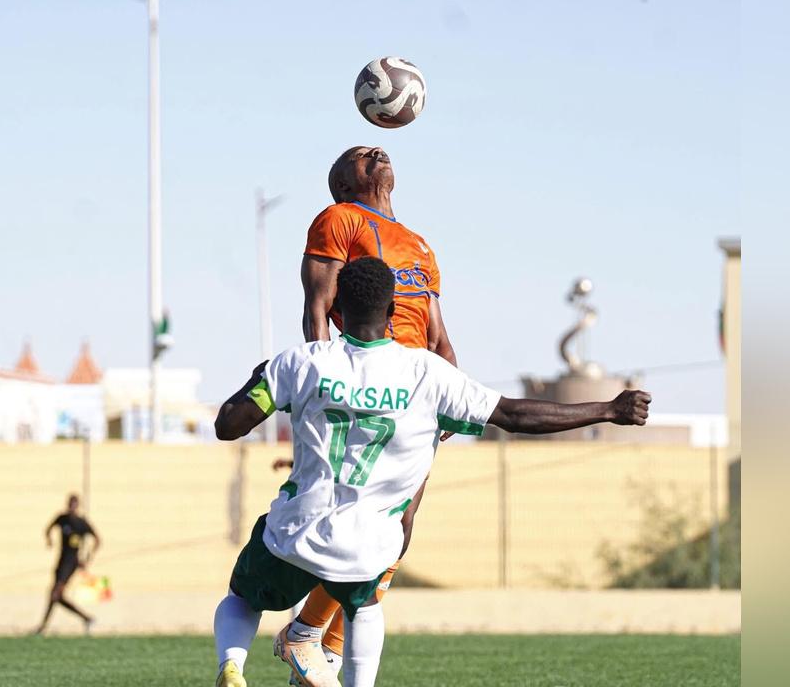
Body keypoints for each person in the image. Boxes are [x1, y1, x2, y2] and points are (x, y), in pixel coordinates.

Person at [211, 257, 651, 687]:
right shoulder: (426, 373)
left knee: (242, 599)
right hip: (368, 545)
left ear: (337, 309)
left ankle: (233, 667)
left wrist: (258, 380)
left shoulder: (302, 362)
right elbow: (516, 416)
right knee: (363, 611)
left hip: (295, 532)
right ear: (392, 311)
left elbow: (228, 426)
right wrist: (608, 409)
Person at [275, 145, 456, 681]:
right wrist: (326, 382)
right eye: (359, 155)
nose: (376, 151)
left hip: (418, 391)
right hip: (369, 388)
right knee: (361, 523)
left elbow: (437, 331)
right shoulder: (339, 218)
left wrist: (449, 384)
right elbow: (316, 307)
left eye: (376, 150)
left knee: (399, 527)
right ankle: (307, 632)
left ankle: (325, 646)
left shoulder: (420, 244)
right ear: (343, 183)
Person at [34, 493, 101, 635]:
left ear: (77, 506)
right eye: (70, 504)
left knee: (55, 594)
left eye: (74, 505)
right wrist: (49, 541)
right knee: (56, 596)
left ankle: (43, 627)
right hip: (61, 561)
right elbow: (48, 529)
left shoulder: (81, 523)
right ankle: (87, 618)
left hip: (71, 563)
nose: (71, 508)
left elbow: (97, 540)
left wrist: (88, 559)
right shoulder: (62, 518)